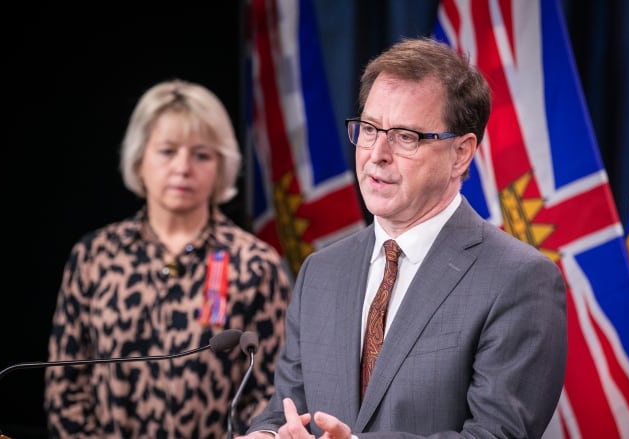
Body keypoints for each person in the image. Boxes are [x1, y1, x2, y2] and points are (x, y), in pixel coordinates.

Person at [240, 37, 568, 438]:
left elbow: (495, 434)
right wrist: (266, 434)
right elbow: (286, 409)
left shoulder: (519, 280)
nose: (376, 153)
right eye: (369, 129)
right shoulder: (320, 272)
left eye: (404, 136)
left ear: (462, 153)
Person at [44, 79, 292, 438]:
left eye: (201, 154)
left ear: (221, 166)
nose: (183, 167)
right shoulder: (94, 256)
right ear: (139, 158)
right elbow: (64, 388)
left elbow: (271, 393)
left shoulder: (256, 265)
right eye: (167, 151)